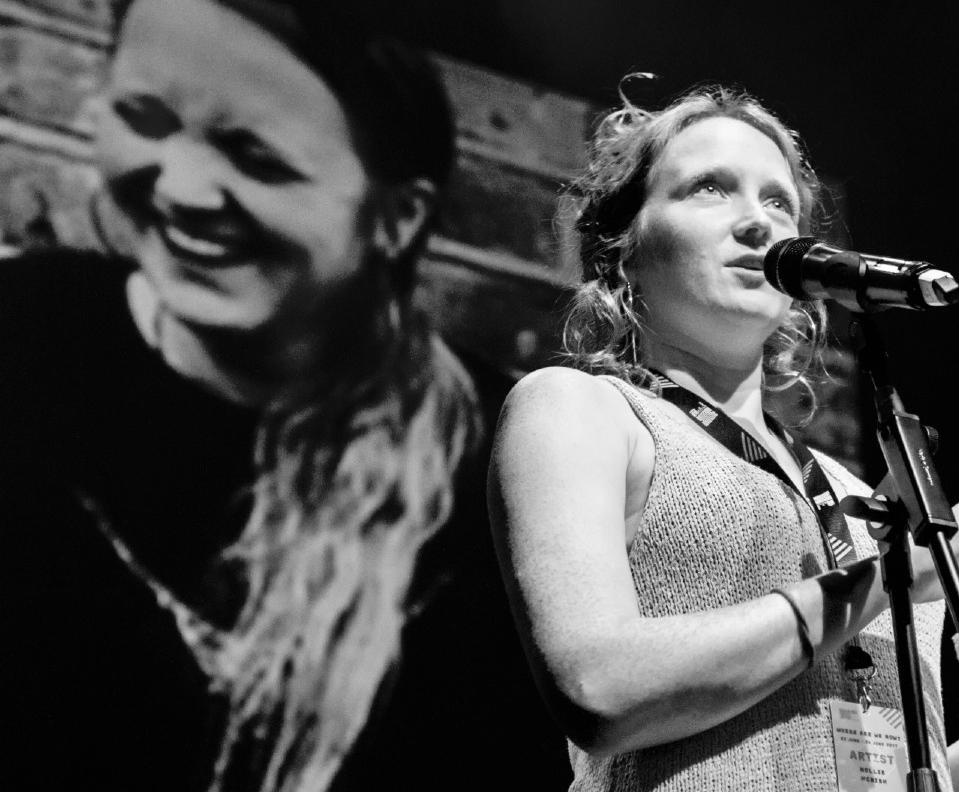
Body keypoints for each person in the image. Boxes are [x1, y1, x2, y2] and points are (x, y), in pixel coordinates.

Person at [0, 1, 566, 789]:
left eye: (256, 157)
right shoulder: (24, 332)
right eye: (143, 116)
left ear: (396, 218)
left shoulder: (501, 460)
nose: (183, 187)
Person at [488, 83, 959, 791]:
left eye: (778, 201)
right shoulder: (580, 410)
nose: (759, 224)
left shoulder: (851, 492)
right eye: (708, 189)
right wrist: (879, 583)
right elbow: (599, 691)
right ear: (623, 247)